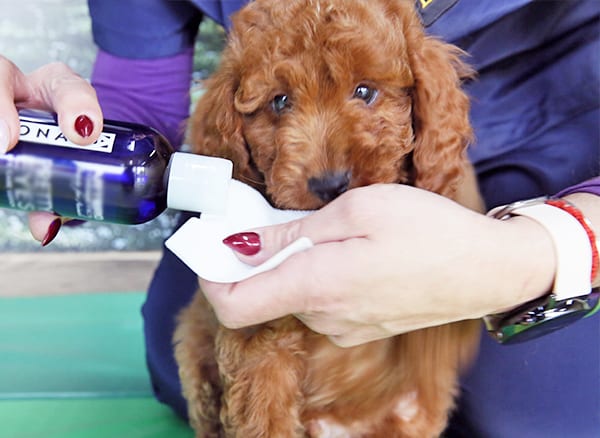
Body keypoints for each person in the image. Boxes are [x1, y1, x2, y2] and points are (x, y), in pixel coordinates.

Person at [1, 1, 598, 436]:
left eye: (365, 93)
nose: (327, 161)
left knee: (541, 411)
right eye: (278, 104)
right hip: (277, 202)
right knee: (184, 353)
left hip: (563, 150)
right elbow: (141, 96)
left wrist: (549, 248)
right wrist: (59, 143)